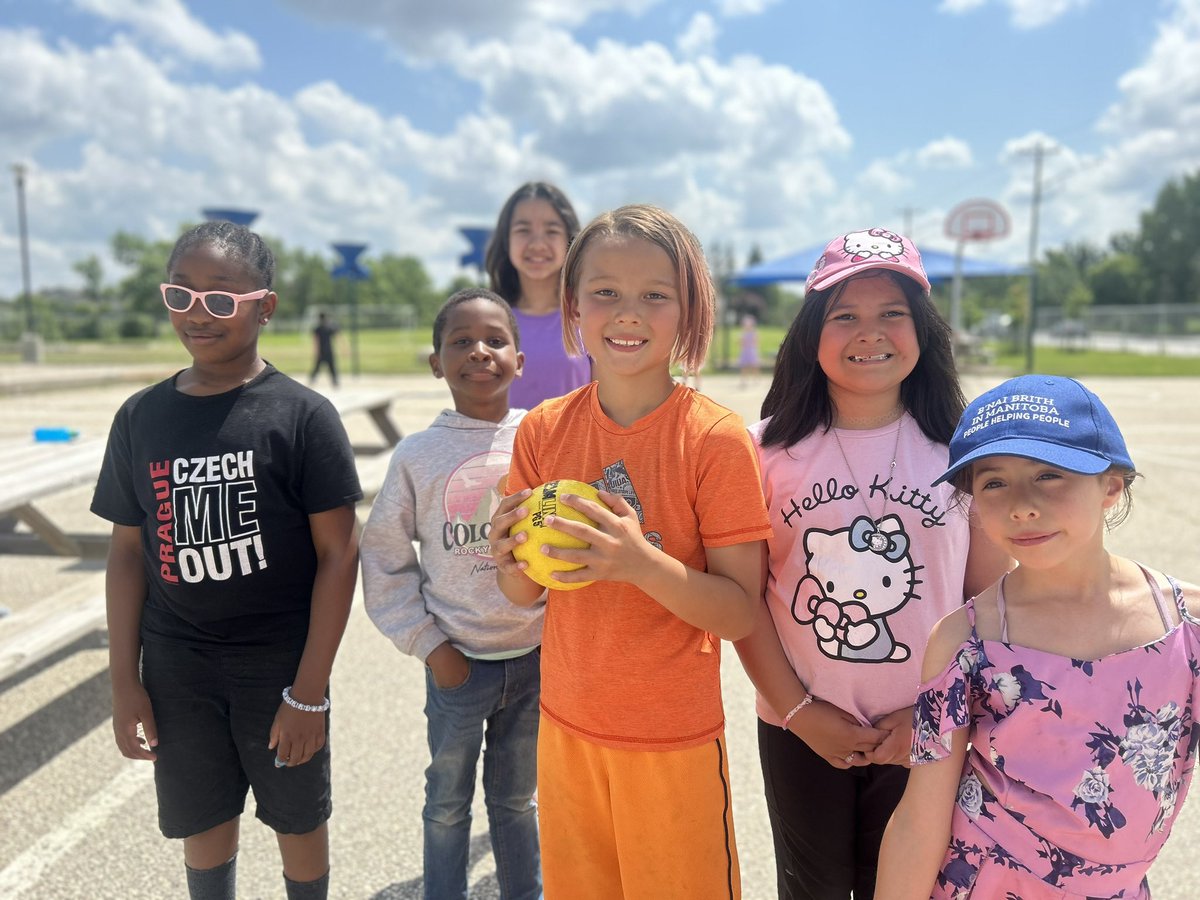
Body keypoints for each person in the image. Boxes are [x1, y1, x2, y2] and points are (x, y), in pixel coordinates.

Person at [487, 204, 773, 900]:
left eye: (655, 295)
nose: (628, 313)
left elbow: (739, 612)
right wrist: (505, 555)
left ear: (690, 310)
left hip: (672, 740)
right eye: (605, 291)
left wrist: (638, 563)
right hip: (567, 728)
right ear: (573, 305)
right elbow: (523, 594)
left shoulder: (714, 439)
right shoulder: (543, 431)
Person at [735, 228, 1011, 900]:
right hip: (799, 726)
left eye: (893, 312)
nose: (870, 332)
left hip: (927, 727)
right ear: (810, 333)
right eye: (844, 315)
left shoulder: (964, 450)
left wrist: (932, 716)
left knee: (910, 887)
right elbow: (744, 604)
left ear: (923, 331)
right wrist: (799, 712)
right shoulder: (760, 451)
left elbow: (992, 604)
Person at [90, 221, 362, 900]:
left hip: (278, 663)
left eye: (219, 298)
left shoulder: (302, 416)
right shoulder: (140, 417)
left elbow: (340, 554)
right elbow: (127, 554)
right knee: (203, 817)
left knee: (298, 817)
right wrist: (125, 681)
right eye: (180, 295)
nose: (196, 314)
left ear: (264, 307)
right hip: (177, 662)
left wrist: (308, 690)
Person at [876, 375, 1200, 899]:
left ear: (1111, 486)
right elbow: (920, 817)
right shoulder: (965, 641)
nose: (1022, 506)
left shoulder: (1187, 625)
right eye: (994, 483)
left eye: (1049, 475)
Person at [360, 287, 543, 900]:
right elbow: (384, 557)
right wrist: (430, 647)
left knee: (517, 799)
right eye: (461, 341)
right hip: (457, 664)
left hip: (536, 658)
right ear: (436, 363)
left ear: (519, 360)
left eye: (495, 340)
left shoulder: (543, 439)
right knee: (446, 802)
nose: (479, 351)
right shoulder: (417, 456)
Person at [485, 181, 591, 409]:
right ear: (506, 240)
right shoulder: (486, 322)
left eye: (552, 231)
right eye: (523, 230)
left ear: (570, 240)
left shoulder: (590, 317)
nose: (537, 244)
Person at [310, 311, 339, 387]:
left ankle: (312, 379)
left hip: (322, 351)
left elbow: (316, 341)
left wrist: (316, 351)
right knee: (331, 367)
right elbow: (336, 334)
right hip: (328, 350)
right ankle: (335, 381)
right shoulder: (328, 328)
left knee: (318, 367)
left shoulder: (318, 329)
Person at [738, 313, 760, 385]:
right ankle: (743, 380)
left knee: (754, 366)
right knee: (744, 366)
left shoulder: (754, 333)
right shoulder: (743, 333)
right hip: (745, 351)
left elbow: (756, 342)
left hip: (751, 351)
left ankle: (756, 379)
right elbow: (741, 343)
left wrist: (751, 344)